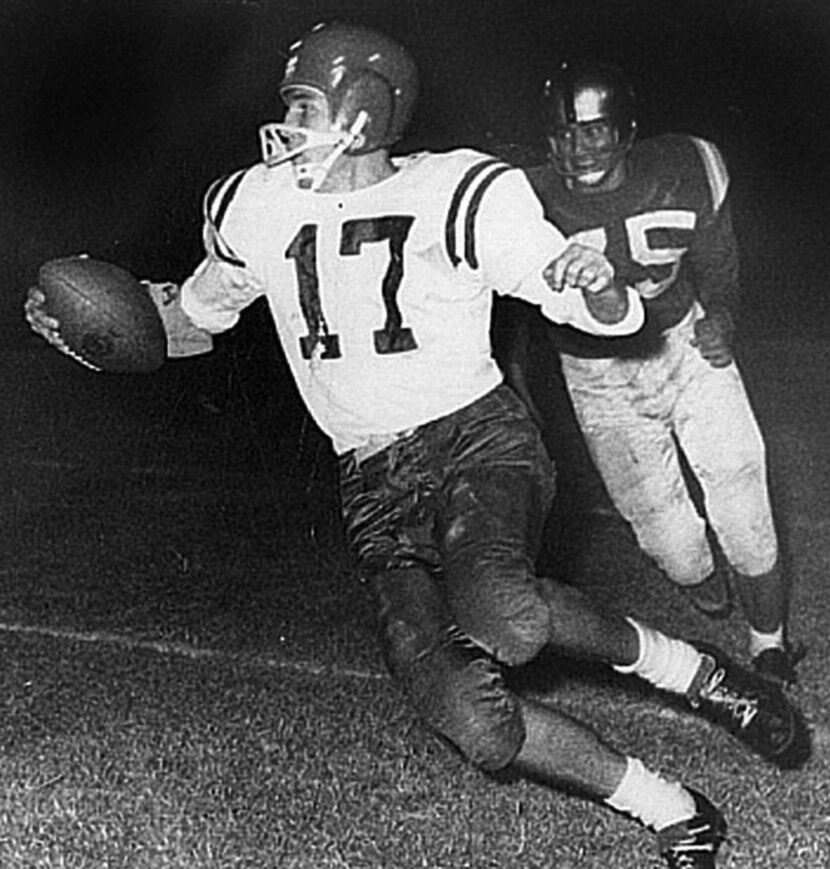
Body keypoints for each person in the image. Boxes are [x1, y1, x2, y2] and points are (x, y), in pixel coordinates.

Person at [25, 24, 810, 868]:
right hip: (369, 473)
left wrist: (597, 283)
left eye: (301, 104)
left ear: (362, 108)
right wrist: (99, 333)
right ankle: (676, 810)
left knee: (505, 615)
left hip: (476, 440)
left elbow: (599, 311)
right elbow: (193, 319)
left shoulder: (459, 189)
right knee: (476, 724)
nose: (283, 124)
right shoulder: (256, 203)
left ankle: (697, 673)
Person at [503, 61, 802, 687]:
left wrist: (721, 315)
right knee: (672, 545)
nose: (575, 149)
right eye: (561, 134)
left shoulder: (684, 169)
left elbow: (718, 257)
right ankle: (710, 587)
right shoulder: (520, 199)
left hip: (683, 347)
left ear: (628, 132)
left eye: (593, 132)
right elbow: (506, 313)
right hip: (596, 375)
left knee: (744, 503)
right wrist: (519, 390)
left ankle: (769, 644)